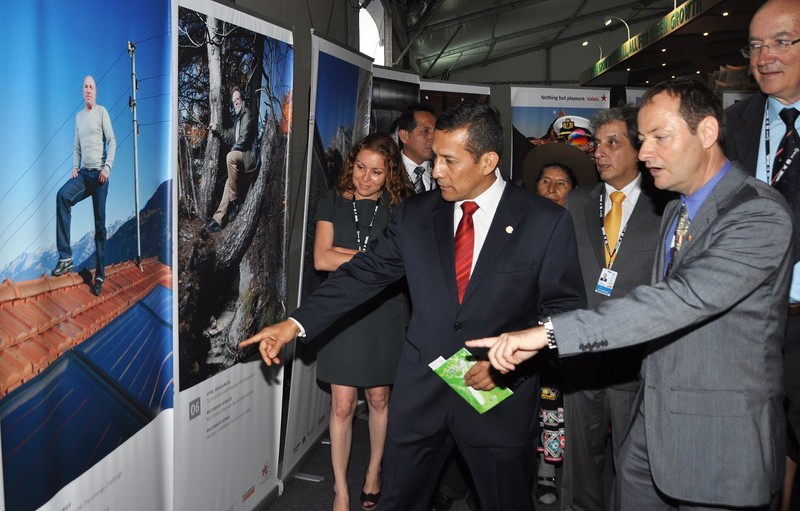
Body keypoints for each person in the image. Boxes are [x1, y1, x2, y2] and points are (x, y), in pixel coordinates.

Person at [468, 78, 794, 511]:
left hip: (718, 440)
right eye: (643, 140)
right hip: (651, 425)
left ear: (708, 133)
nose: (644, 153)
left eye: (660, 137)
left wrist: (546, 334)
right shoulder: (676, 208)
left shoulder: (758, 214)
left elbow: (679, 300)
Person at [241, 101, 586, 510]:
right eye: (435, 156)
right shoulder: (416, 216)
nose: (435, 170)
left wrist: (514, 362)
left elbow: (564, 310)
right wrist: (295, 323)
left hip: (497, 396)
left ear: (488, 161)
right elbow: (362, 274)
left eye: (448, 160)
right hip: (422, 395)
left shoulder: (543, 222)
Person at [560, 105, 669, 511]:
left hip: (636, 355)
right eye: (596, 144)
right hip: (581, 353)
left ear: (638, 148)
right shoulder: (577, 202)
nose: (599, 153)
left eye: (612, 143)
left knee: (634, 462)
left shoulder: (666, 207)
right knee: (581, 462)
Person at [724, 2, 800, 508]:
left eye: (781, 41)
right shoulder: (730, 126)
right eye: (755, 45)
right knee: (756, 443)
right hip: (748, 318)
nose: (765, 56)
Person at [313, 133, 411, 511]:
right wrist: (374, 261)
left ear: (390, 175)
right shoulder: (332, 201)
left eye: (376, 172)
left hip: (384, 311)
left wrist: (346, 253)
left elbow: (399, 267)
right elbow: (321, 259)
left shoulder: (400, 208)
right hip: (342, 312)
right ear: (351, 164)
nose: (365, 178)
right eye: (359, 168)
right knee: (341, 406)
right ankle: (340, 488)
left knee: (379, 398)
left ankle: (373, 473)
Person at [529, 161, 579, 505]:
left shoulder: (579, 229)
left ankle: (547, 474)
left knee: (552, 407)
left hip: (559, 332)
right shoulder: (519, 224)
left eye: (560, 183)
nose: (551, 188)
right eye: (545, 181)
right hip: (519, 330)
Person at [52, 75, 116, 296]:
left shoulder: (102, 112)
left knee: (100, 226)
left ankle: (99, 275)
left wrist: (107, 167)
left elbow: (112, 140)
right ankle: (66, 257)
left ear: (96, 93)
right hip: (84, 175)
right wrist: (74, 166)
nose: (88, 90)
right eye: (85, 87)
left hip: (99, 177)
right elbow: (76, 147)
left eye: (92, 87)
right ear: (82, 92)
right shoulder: (79, 117)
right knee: (62, 196)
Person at [203, 86, 257, 233]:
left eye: (238, 99)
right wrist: (216, 128)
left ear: (243, 100)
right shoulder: (237, 120)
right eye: (234, 101)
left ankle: (235, 202)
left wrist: (233, 150)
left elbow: (245, 138)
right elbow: (228, 136)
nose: (236, 103)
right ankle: (217, 220)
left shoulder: (247, 115)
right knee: (229, 183)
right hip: (240, 160)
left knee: (230, 156)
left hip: (248, 158)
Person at [396, 103, 437, 193]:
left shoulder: (442, 173)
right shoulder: (388, 170)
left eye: (435, 131)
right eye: (426, 131)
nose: (433, 137)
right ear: (404, 136)